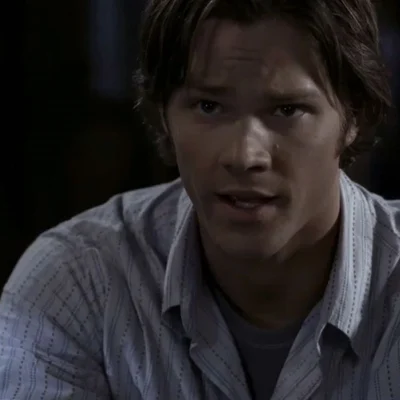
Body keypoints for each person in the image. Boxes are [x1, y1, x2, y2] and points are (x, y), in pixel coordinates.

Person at [0, 0, 399, 399]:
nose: (244, 156)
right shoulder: (77, 282)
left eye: (287, 109)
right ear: (164, 114)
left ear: (354, 116)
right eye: (209, 106)